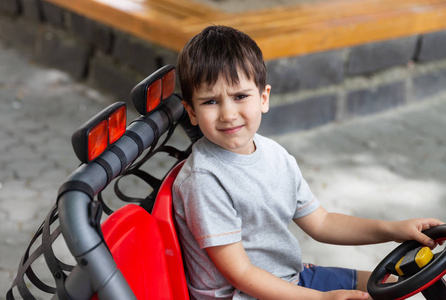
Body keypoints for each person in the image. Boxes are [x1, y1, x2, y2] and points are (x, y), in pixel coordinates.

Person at [172, 25, 443, 300]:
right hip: (245, 294)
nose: (228, 114)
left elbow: (322, 223)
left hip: (288, 279)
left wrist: (392, 230)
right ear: (191, 112)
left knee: (389, 285)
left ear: (263, 98)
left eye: (240, 96)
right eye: (210, 102)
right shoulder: (205, 180)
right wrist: (323, 299)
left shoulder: (274, 155)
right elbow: (240, 273)